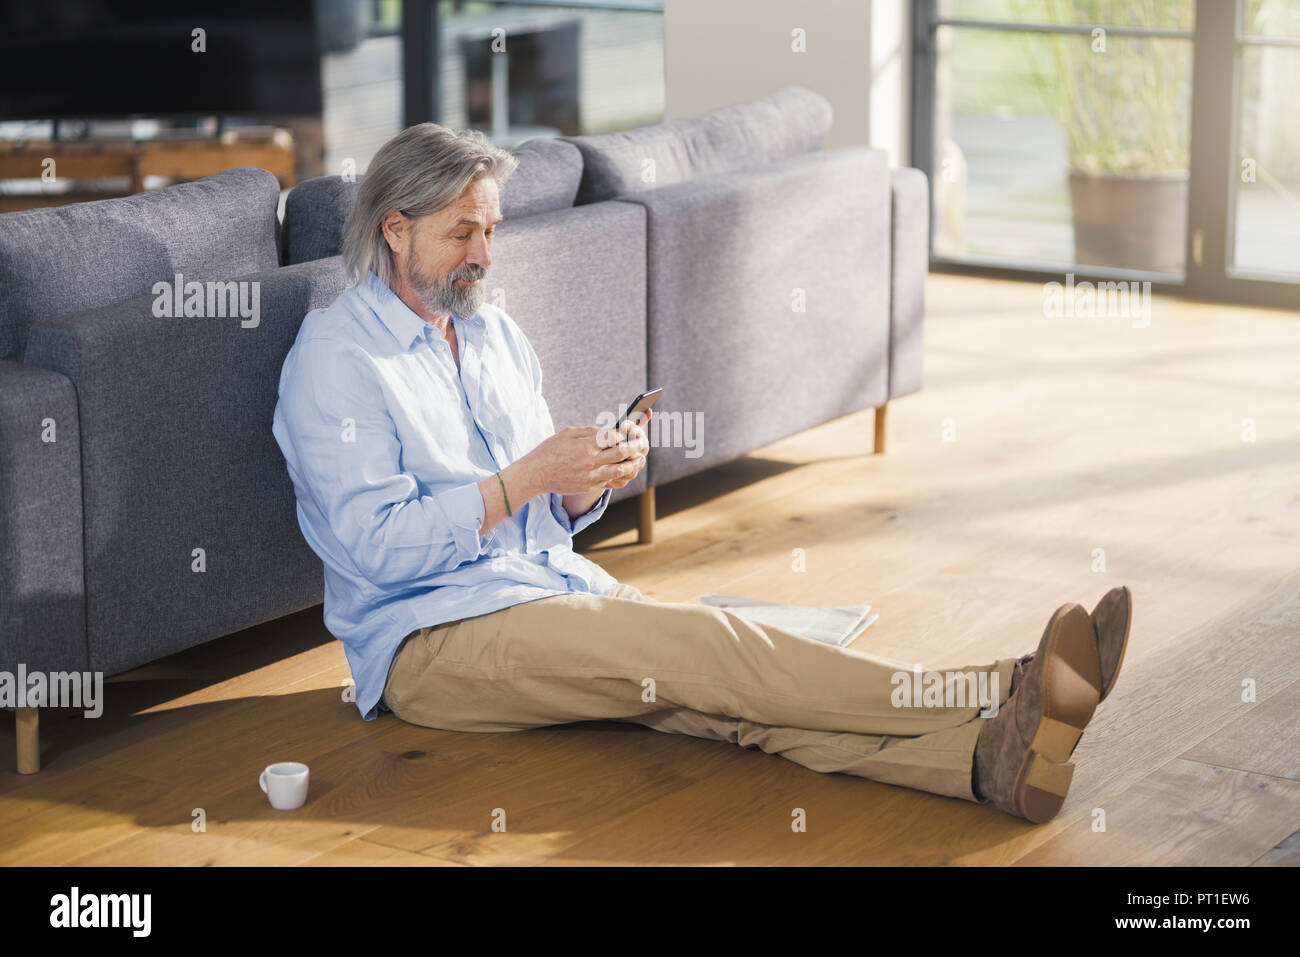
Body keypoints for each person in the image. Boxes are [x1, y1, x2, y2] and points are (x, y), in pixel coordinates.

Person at [271, 123, 1133, 824]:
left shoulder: (492, 335)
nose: (485, 255)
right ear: (395, 228)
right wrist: (530, 475)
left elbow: (544, 511)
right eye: (463, 232)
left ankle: (980, 765)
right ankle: (999, 685)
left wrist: (581, 483)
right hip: (430, 640)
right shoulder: (338, 359)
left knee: (715, 697)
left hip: (546, 582)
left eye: (491, 230)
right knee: (709, 645)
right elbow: (377, 550)